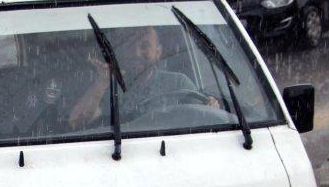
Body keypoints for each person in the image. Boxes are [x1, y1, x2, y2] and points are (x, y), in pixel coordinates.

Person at [67, 25, 218, 130]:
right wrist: (102, 83)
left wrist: (211, 107)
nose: (136, 53)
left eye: (145, 46)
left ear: (158, 52)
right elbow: (77, 123)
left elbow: (203, 118)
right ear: (122, 52)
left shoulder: (179, 82)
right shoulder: (108, 85)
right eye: (131, 46)